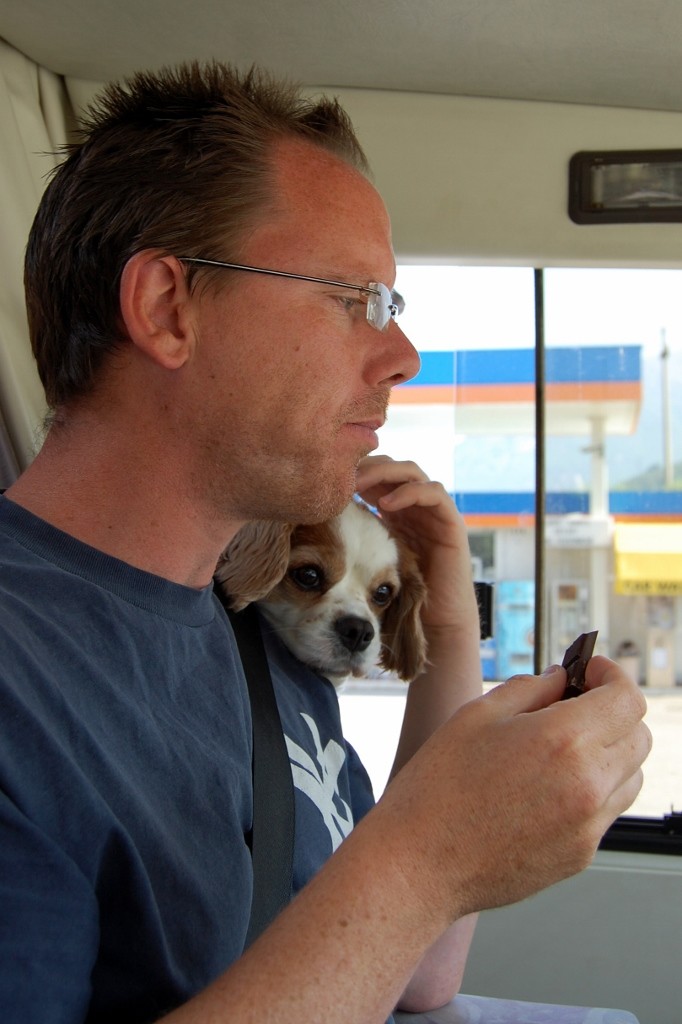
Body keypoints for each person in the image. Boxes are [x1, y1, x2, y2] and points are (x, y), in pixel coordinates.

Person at [0, 60, 650, 1024]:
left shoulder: (254, 629)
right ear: (169, 308)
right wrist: (425, 861)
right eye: (356, 299)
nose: (403, 358)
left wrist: (442, 608)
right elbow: (402, 904)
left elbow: (414, 974)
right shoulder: (25, 680)